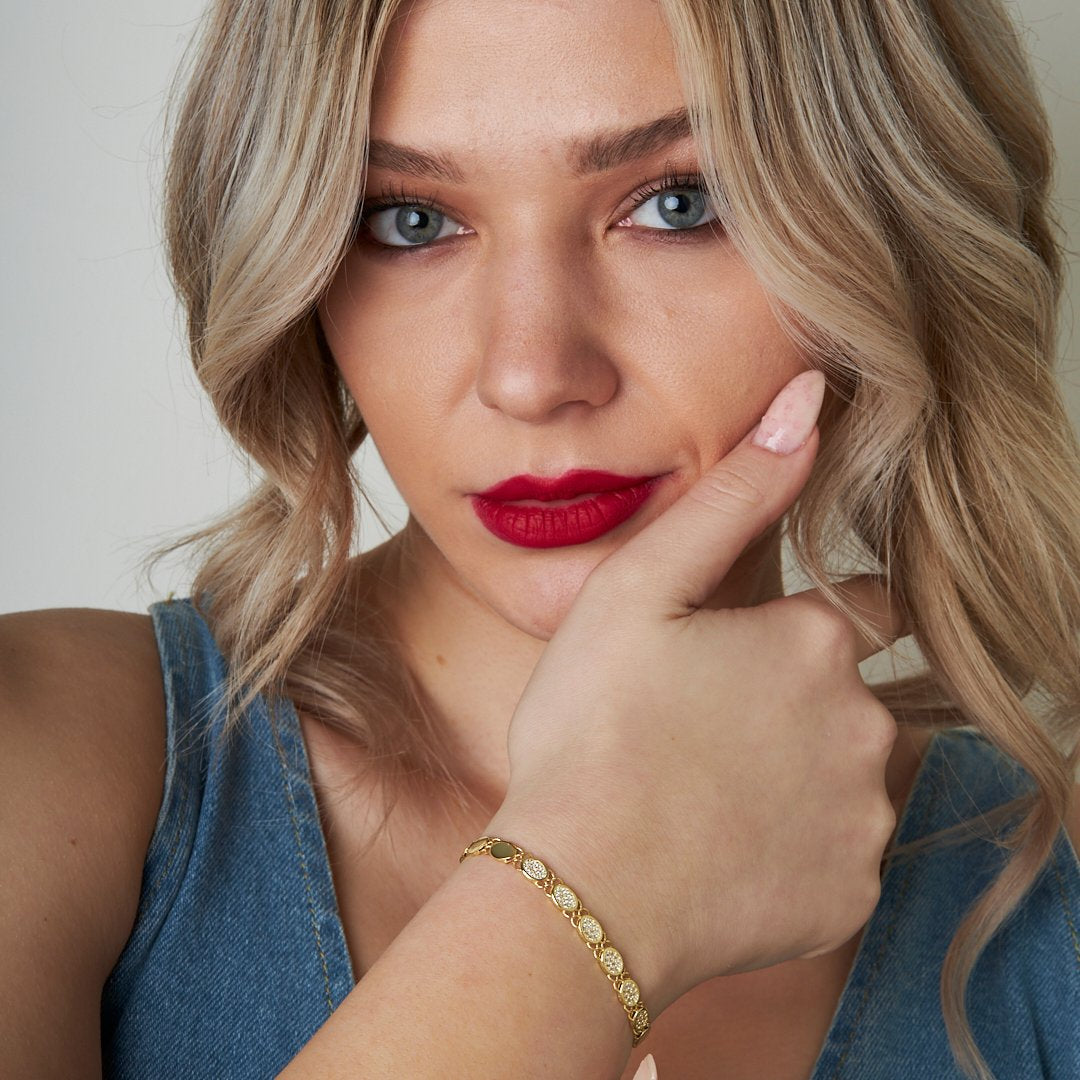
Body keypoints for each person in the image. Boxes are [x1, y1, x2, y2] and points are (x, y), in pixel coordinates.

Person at [3, 0, 1079, 1077]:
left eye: (678, 202)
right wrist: (595, 885)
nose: (531, 373)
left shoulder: (1047, 902)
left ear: (891, 229)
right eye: (409, 220)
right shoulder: (51, 764)